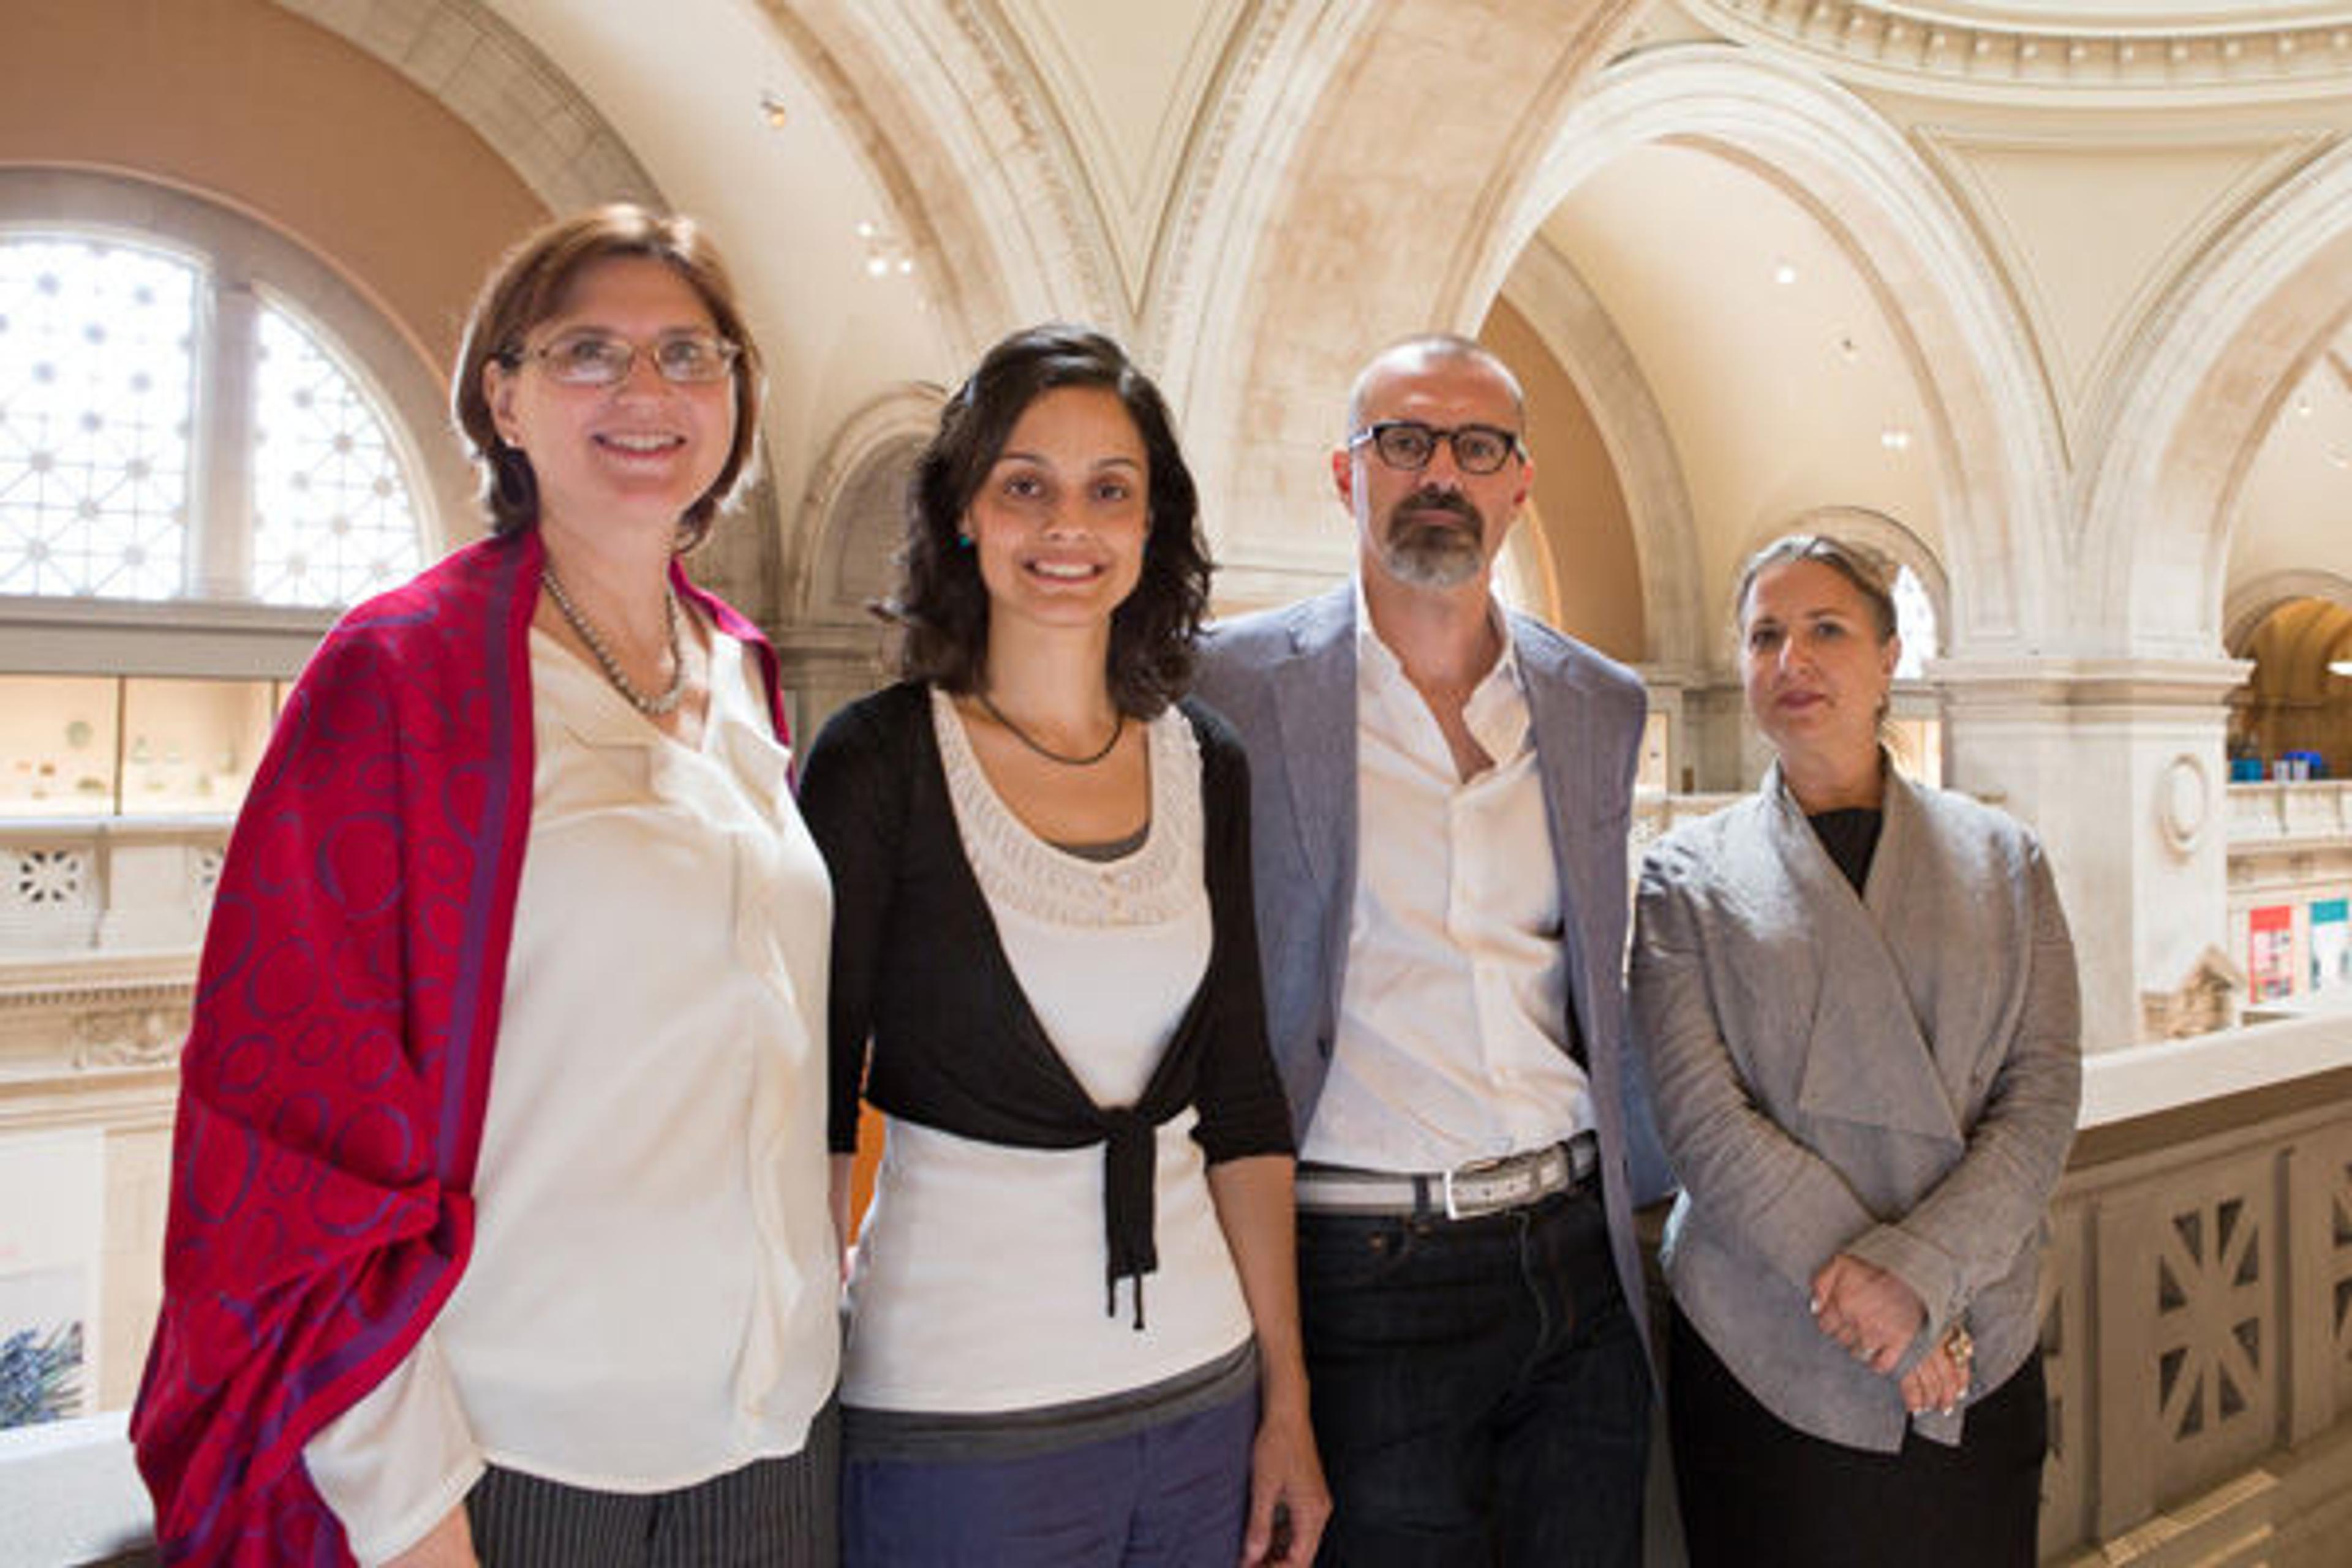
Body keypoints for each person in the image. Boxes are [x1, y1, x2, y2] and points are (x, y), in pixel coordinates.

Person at [130, 206, 840, 1567]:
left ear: (738, 399)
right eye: (590, 350)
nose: (646, 391)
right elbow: (287, 1118)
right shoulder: (400, 674)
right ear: (504, 398)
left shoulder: (746, 668)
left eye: (689, 353)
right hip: (517, 1452)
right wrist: (405, 1499)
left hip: (773, 1435)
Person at [796, 324, 1329, 1567]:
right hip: (959, 1414)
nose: (1066, 525)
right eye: (1024, 484)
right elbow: (811, 1112)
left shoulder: (1210, 764)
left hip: (1202, 1397)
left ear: (1152, 526)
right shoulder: (878, 764)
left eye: (1110, 489)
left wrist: (1288, 1405)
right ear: (966, 511)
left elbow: (1242, 1105)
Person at [1192, 334, 1660, 1567]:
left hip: (1577, 1264)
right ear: (1347, 474)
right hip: (1361, 1276)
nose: (1439, 471)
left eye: (1476, 445)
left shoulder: (1597, 700)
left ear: (1521, 481)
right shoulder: (1227, 688)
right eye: (1403, 441)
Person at [1630, 534, 2082, 1567]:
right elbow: (1702, 1120)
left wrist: (1922, 1282)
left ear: (1890, 658)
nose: (1792, 660)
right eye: (1765, 636)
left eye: (1826, 629)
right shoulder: (1685, 877)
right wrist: (1885, 1305)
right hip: (1770, 1350)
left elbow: (2043, 1092)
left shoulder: (2006, 861)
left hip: (1975, 1343)